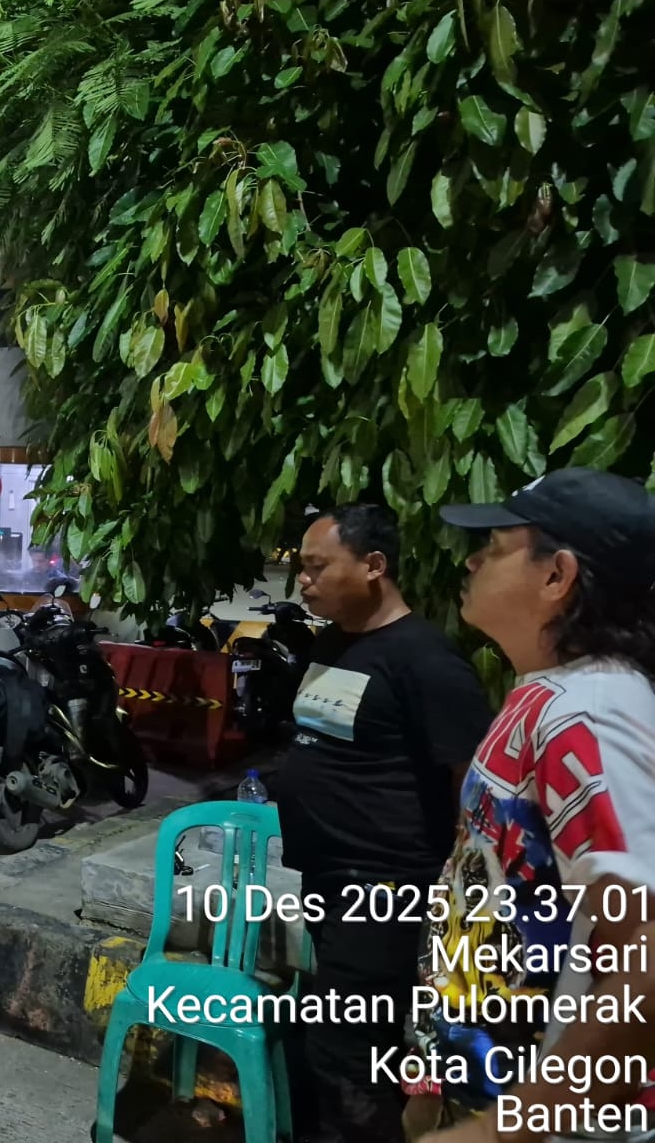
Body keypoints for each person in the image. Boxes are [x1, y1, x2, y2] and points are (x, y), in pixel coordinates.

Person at [409, 470, 655, 1142]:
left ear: (557, 576)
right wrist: (434, 1075)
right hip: (487, 1085)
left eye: (494, 546)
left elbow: (646, 952)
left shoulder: (589, 714)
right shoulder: (550, 695)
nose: (472, 561)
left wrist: (502, 1130)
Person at [278, 503, 493, 1143]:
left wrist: (459, 896)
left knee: (347, 1054)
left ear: (374, 566)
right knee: (345, 1043)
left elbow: (471, 783)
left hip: (386, 887)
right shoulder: (333, 642)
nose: (304, 581)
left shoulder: (425, 659)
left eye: (318, 567)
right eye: (302, 568)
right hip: (329, 879)